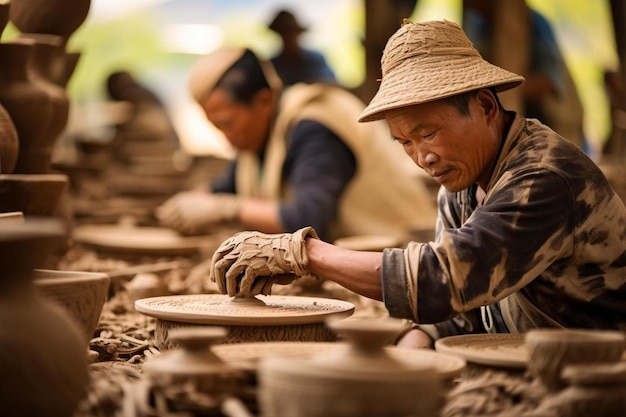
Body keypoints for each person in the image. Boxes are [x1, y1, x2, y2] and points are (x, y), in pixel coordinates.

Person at [208, 20, 626, 348]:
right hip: (530, 357)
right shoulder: (461, 183)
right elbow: (462, 310)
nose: (422, 157)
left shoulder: (543, 177)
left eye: (428, 133)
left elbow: (441, 280)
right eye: (404, 142)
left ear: (484, 105)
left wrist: (303, 252)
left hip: (598, 374)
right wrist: (416, 340)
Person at [156, 47, 437, 243]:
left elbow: (308, 218)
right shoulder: (258, 137)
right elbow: (224, 187)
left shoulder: (316, 124)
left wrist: (223, 209)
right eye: (215, 127)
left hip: (402, 257)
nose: (224, 136)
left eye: (227, 124)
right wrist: (187, 204)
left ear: (264, 101)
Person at [463, 0, 587, 150]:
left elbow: (551, 82)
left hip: (550, 123)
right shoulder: (478, 26)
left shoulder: (534, 24)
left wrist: (502, 90)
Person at [266, 9, 337, 86]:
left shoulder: (315, 59)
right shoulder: (273, 65)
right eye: (284, 33)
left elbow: (329, 82)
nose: (288, 38)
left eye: (291, 33)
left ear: (297, 33)